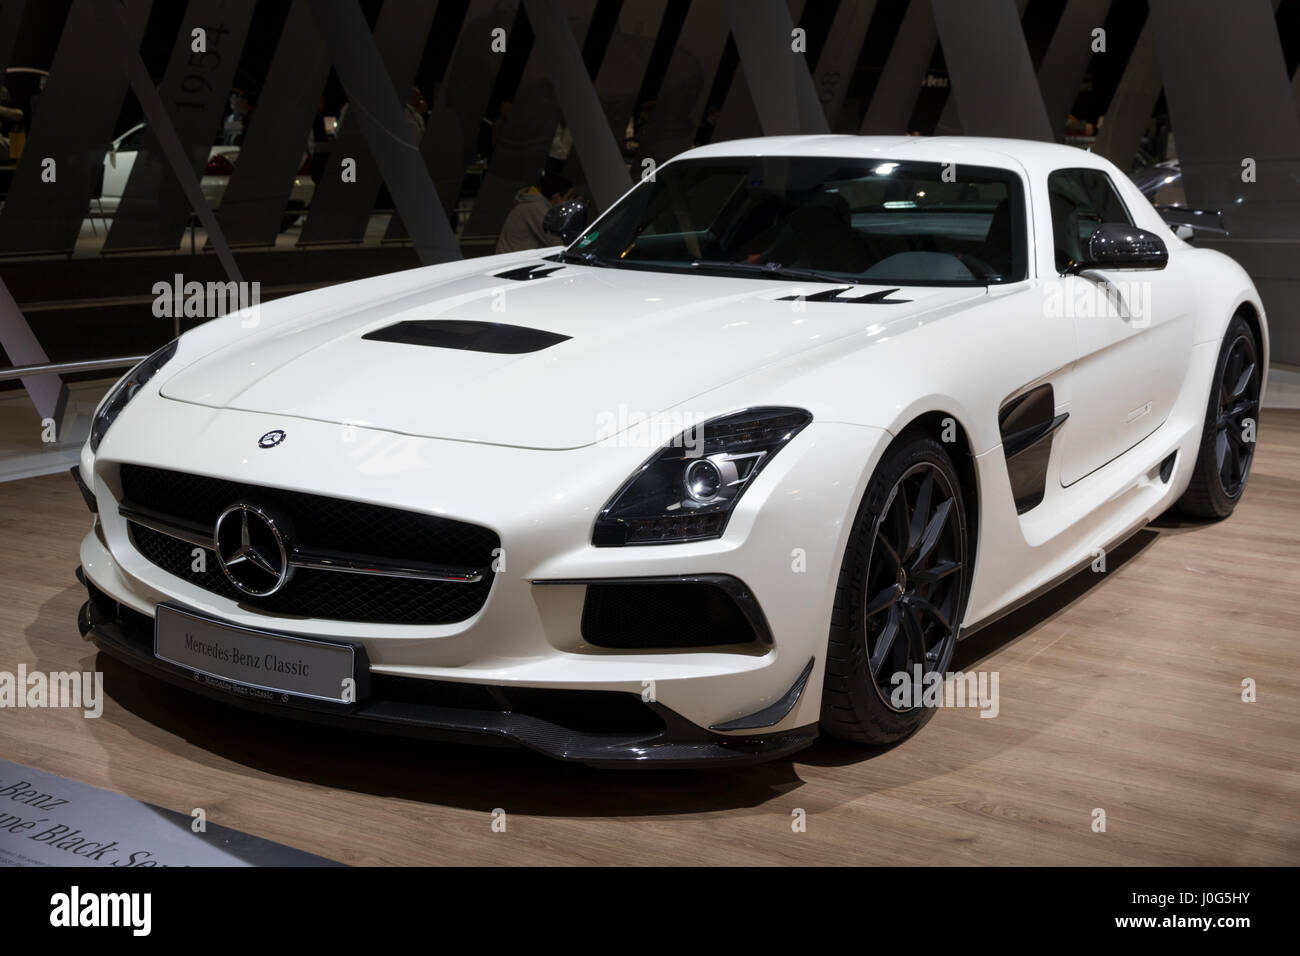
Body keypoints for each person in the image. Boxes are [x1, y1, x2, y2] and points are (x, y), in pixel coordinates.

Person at [495, 173, 575, 253]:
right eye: (569, 197)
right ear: (556, 197)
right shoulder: (537, 209)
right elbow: (557, 243)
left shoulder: (530, 204)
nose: (571, 201)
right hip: (515, 261)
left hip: (511, 257)